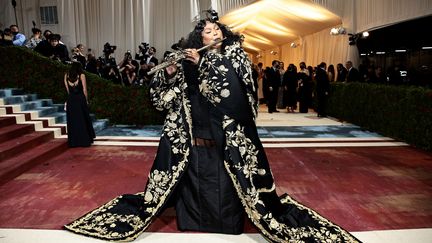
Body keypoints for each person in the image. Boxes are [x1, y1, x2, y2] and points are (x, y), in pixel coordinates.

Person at [64, 12, 360, 243]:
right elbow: (162, 101)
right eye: (208, 31)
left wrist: (206, 61)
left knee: (229, 191)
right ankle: (192, 219)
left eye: (218, 30)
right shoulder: (186, 60)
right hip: (192, 140)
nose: (215, 33)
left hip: (227, 139)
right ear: (198, 36)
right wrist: (170, 73)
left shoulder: (235, 56)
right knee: (190, 185)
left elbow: (234, 92)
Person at [64, 62, 95, 147]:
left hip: (71, 100)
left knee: (73, 121)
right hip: (80, 99)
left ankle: (74, 142)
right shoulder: (81, 75)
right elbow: (84, 90)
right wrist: (86, 100)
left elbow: (68, 90)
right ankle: (84, 140)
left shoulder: (66, 75)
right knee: (82, 119)